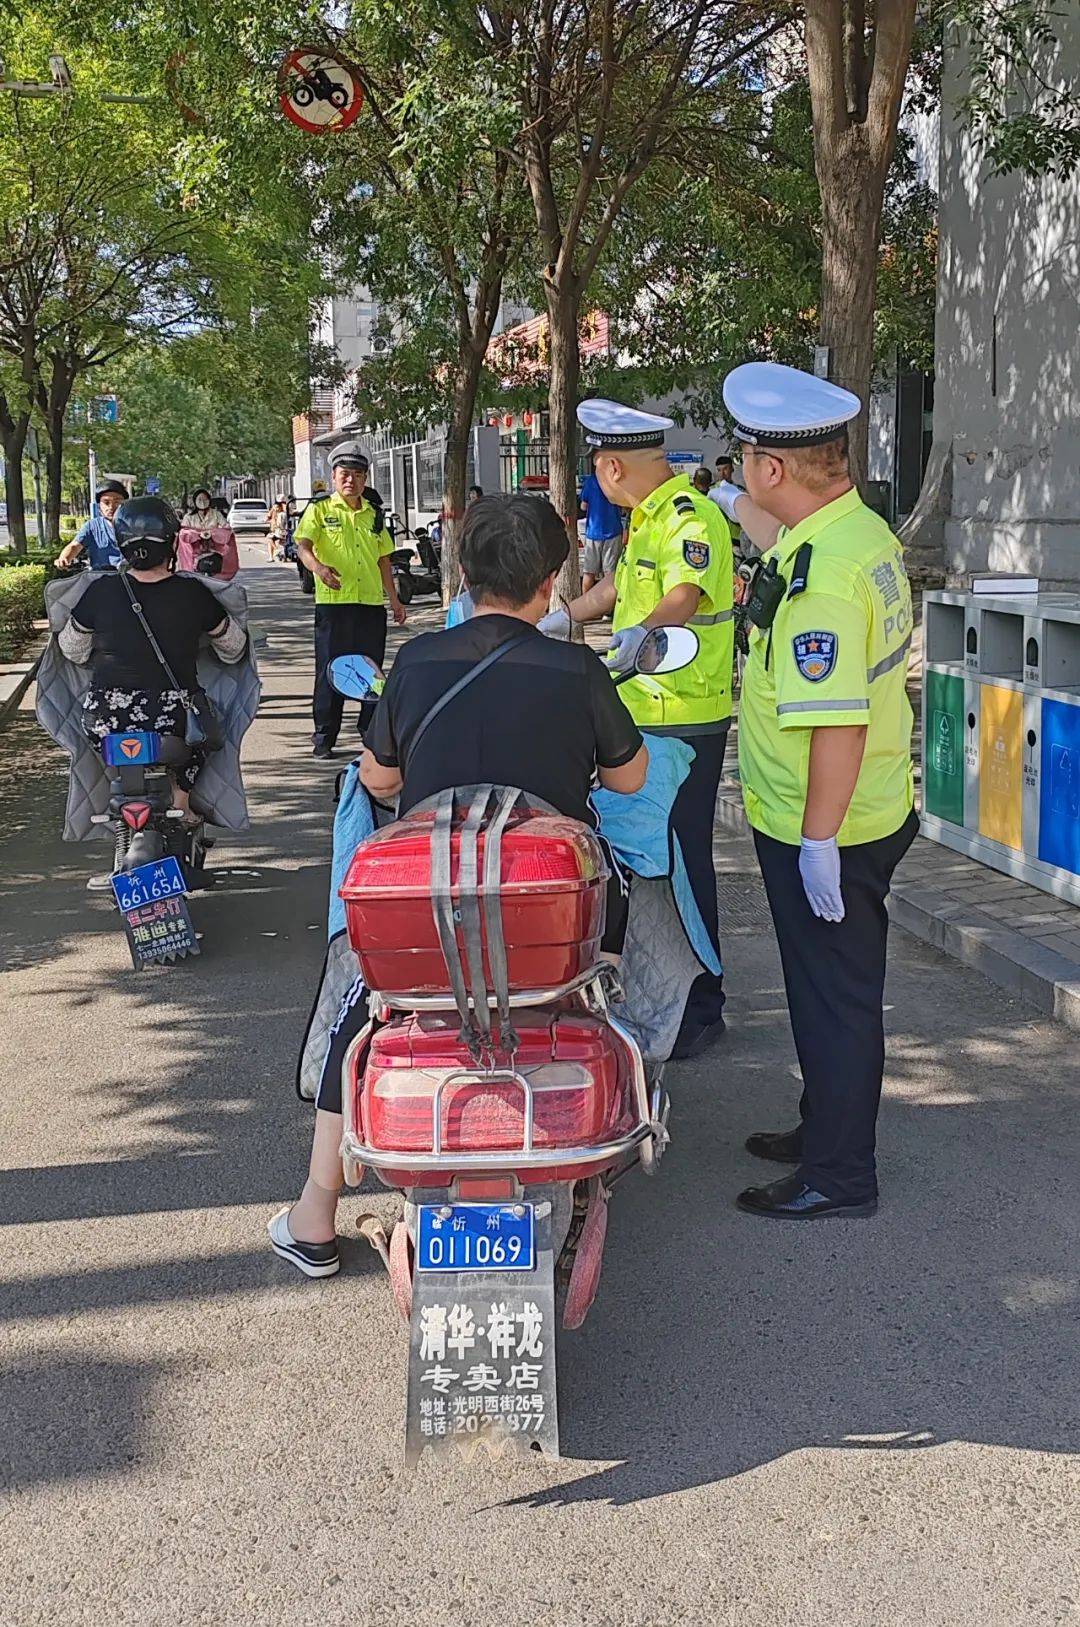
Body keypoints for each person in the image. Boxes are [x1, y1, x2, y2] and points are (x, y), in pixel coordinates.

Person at [270, 493, 649, 1277]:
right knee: (609, 963)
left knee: (367, 1010)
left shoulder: (415, 664)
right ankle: (617, 1089)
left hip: (429, 912)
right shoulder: (577, 667)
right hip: (546, 917)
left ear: (462, 577)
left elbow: (377, 776)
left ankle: (315, 1208)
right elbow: (631, 775)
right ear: (552, 582)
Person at [718, 360, 918, 1220]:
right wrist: (734, 509)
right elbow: (775, 538)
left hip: (833, 820)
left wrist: (820, 841)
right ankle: (823, 1122)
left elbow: (836, 720)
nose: (739, 478)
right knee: (822, 986)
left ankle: (841, 1174)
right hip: (864, 806)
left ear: (771, 469)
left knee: (835, 996)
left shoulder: (824, 580)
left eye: (743, 465)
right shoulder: (850, 530)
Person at [539, 399, 734, 1060]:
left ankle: (705, 1003)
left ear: (612, 465)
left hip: (684, 715)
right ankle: (668, 987)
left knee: (682, 860)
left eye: (598, 474)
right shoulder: (643, 520)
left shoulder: (689, 515)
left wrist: (647, 631)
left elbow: (683, 595)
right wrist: (557, 619)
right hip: (644, 712)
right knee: (650, 859)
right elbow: (617, 595)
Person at [56, 496, 247, 872]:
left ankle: (121, 799)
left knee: (115, 747)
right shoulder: (194, 593)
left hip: (106, 720)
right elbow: (234, 649)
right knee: (205, 733)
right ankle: (181, 800)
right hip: (171, 719)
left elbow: (72, 650)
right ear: (173, 542)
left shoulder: (99, 592)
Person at [293, 441, 407, 759]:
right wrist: (318, 568)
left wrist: (395, 601)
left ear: (365, 478)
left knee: (370, 672)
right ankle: (324, 737)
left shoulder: (374, 515)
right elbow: (302, 546)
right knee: (330, 670)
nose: (350, 481)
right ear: (333, 476)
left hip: (370, 605)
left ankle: (370, 733)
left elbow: (384, 561)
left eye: (357, 474)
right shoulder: (319, 510)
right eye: (344, 474)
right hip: (334, 603)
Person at [578, 456, 626, 593]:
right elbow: (623, 506)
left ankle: (586, 606)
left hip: (593, 532)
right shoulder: (616, 481)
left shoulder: (591, 481)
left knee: (589, 572)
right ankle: (608, 611)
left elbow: (583, 506)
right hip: (613, 531)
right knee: (610, 574)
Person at [56, 482, 128, 570]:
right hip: (100, 578)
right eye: (106, 502)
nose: (111, 507)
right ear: (99, 506)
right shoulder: (92, 526)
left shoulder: (135, 526)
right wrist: (64, 558)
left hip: (129, 578)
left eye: (117, 502)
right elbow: (75, 545)